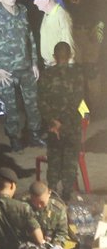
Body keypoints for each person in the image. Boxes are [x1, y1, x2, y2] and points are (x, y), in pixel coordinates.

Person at [0, 0, 43, 151]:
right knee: (10, 106)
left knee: (32, 103)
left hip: (26, 67)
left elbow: (29, 37)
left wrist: (34, 63)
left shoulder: (22, 10)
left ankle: (34, 134)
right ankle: (14, 137)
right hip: (6, 70)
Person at [39, 42, 87, 200]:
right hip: (71, 126)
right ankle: (67, 194)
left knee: (54, 159)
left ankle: (51, 194)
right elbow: (78, 101)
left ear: (54, 57)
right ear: (70, 56)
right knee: (70, 159)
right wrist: (64, 122)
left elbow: (40, 102)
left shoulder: (46, 75)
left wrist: (54, 121)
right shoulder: (77, 75)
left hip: (53, 128)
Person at [60, 0, 103, 106]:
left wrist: (98, 25)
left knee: (91, 70)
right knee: (78, 70)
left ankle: (96, 108)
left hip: (88, 31)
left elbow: (99, 6)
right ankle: (82, 108)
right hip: (76, 30)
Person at [33, 0, 77, 67]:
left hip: (60, 66)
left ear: (46, 0)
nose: (34, 2)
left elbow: (68, 42)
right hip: (50, 64)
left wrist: (69, 68)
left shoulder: (61, 15)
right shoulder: (47, 14)